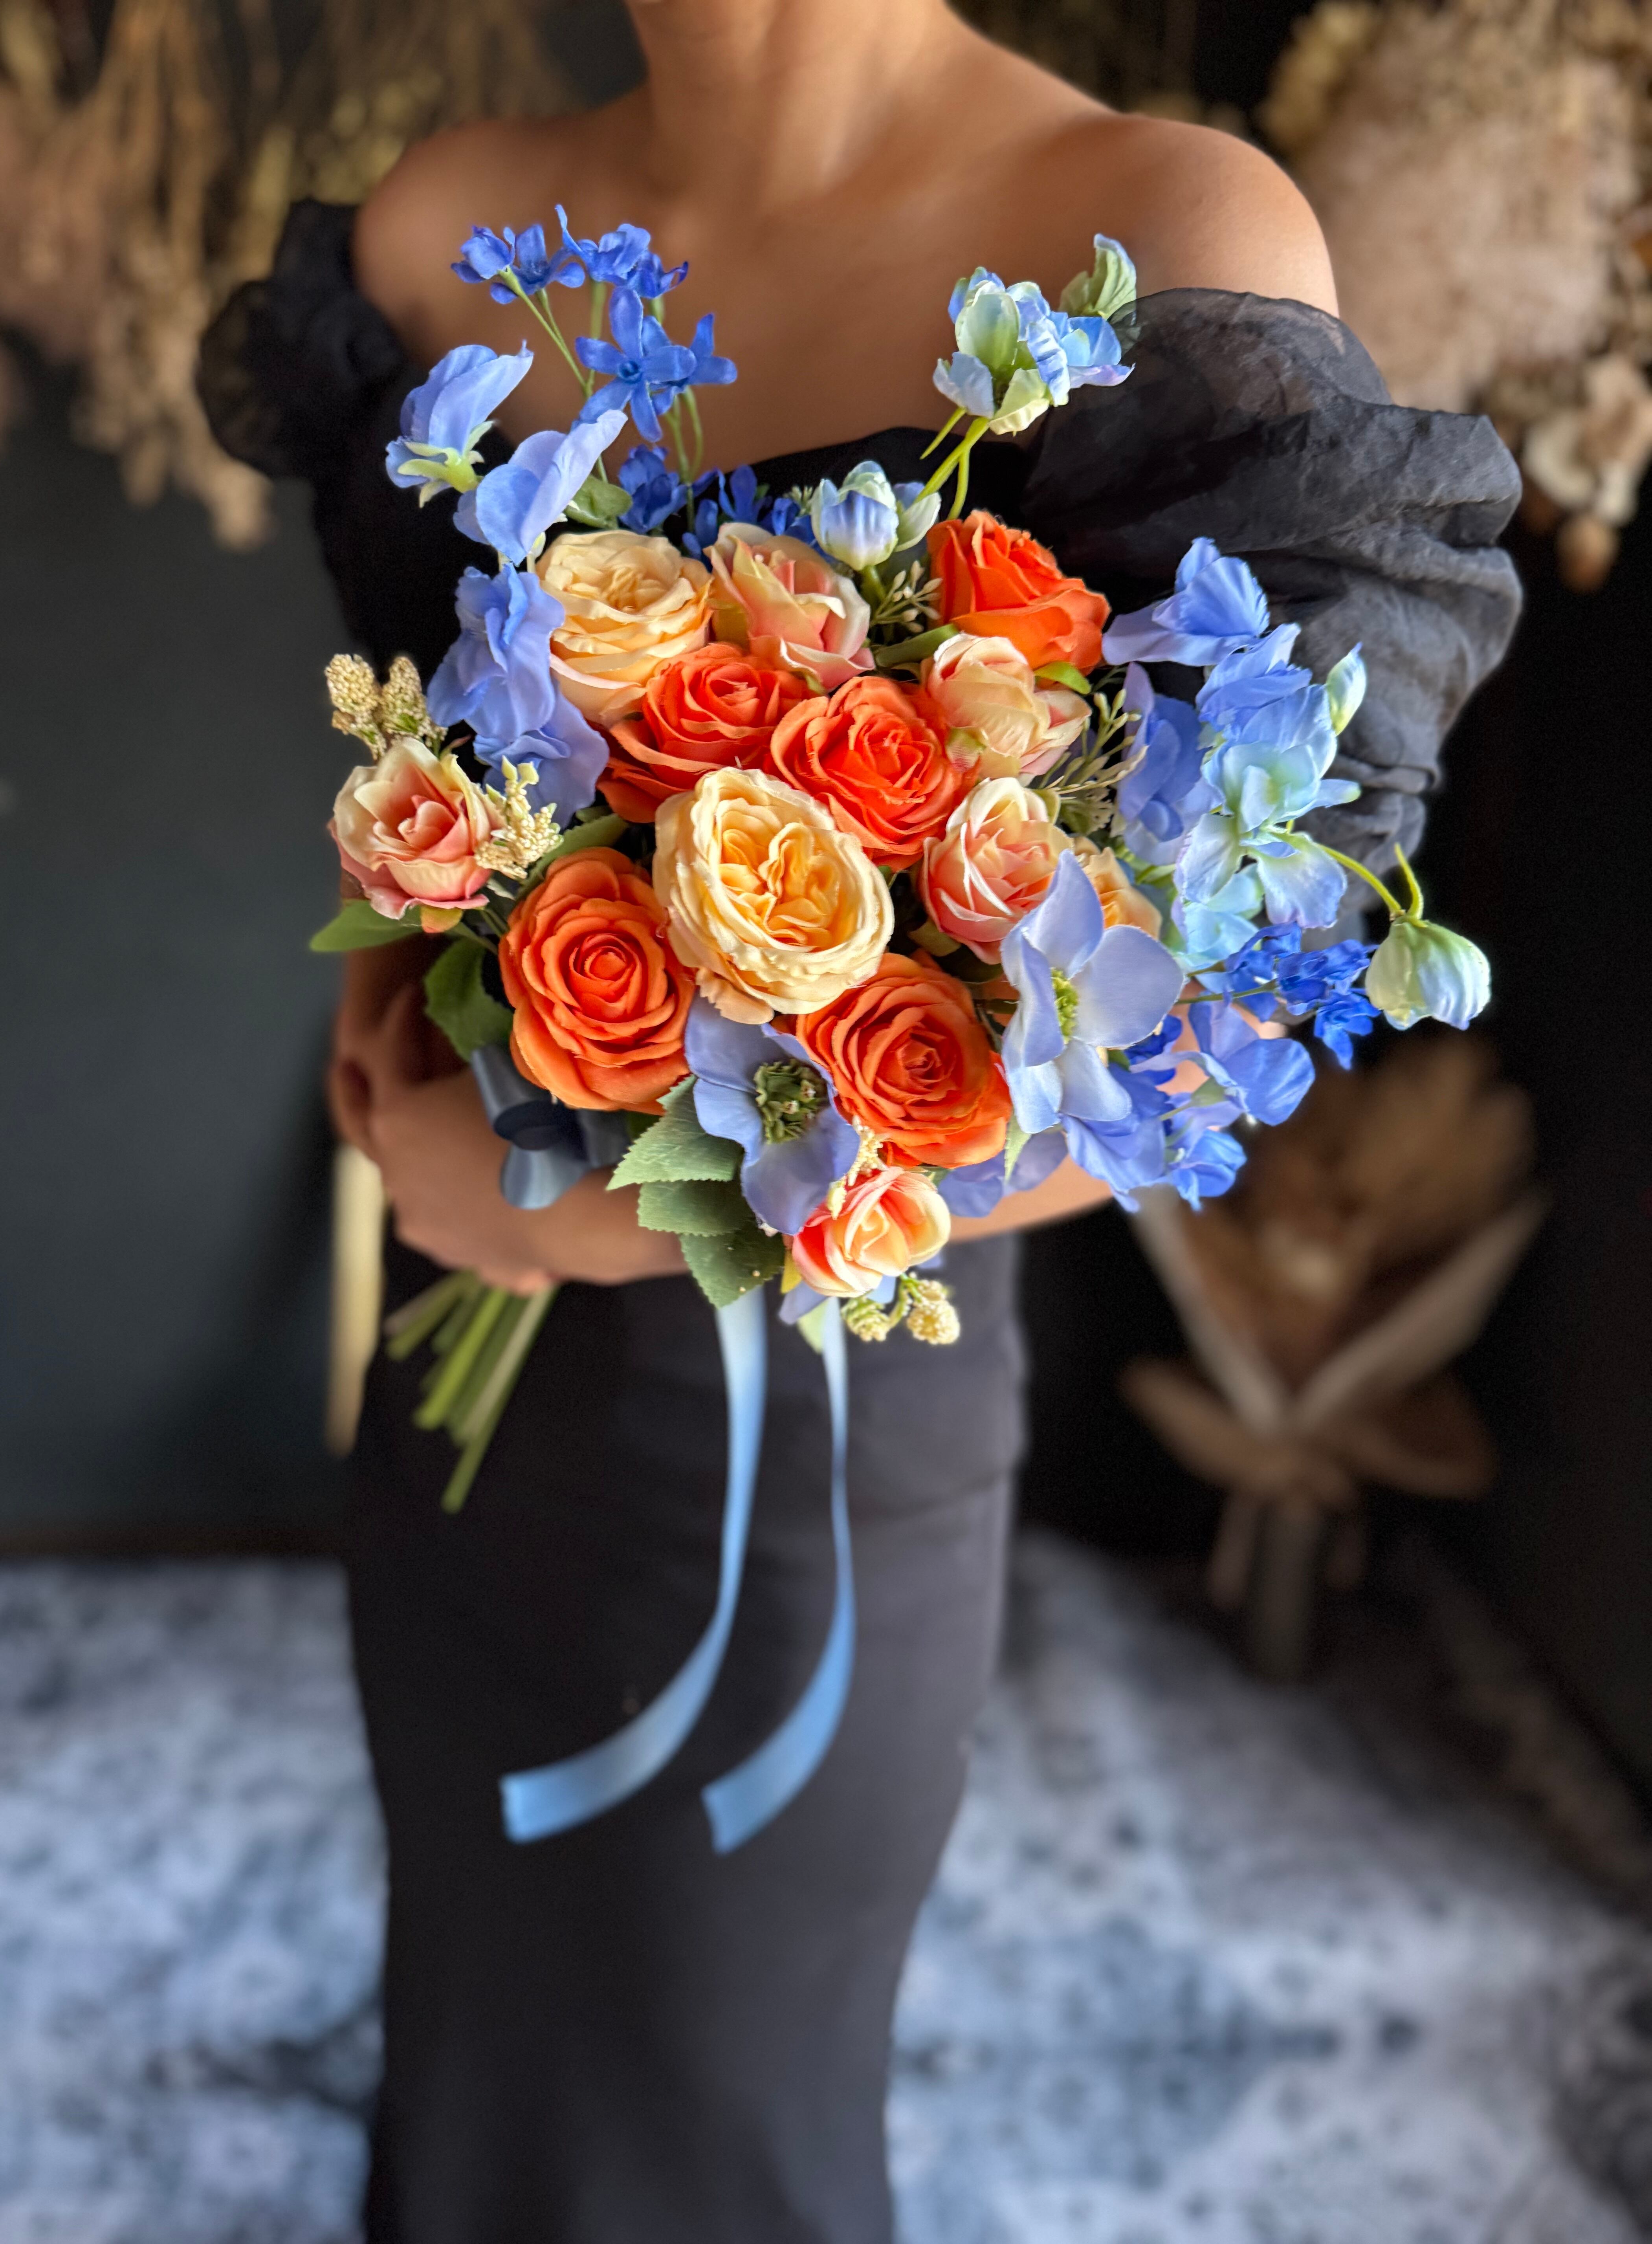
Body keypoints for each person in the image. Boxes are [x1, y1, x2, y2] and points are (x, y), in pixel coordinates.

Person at [199, 4, 1520, 2237]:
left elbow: (1201, 1048)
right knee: (476, 2059)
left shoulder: (1167, 235)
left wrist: (571, 1219)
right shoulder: (448, 231)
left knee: (719, 2109)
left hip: (815, 1439)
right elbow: (434, 741)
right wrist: (398, 979)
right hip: (471, 1422)